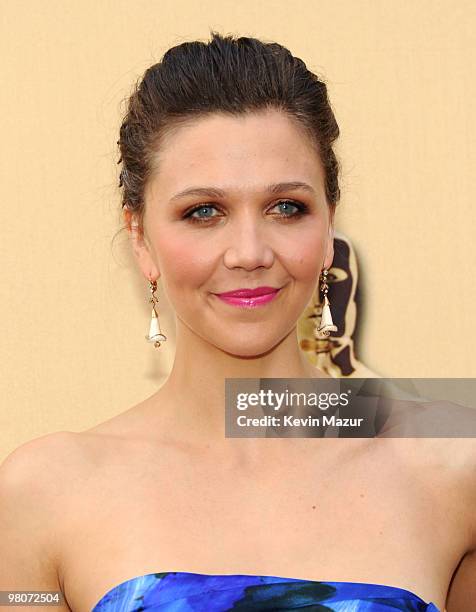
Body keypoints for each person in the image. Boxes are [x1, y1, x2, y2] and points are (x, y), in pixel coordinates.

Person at [1, 30, 474, 612]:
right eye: (203, 212)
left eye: (286, 208)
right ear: (139, 237)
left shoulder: (452, 463)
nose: (250, 251)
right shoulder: (44, 493)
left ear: (329, 225)